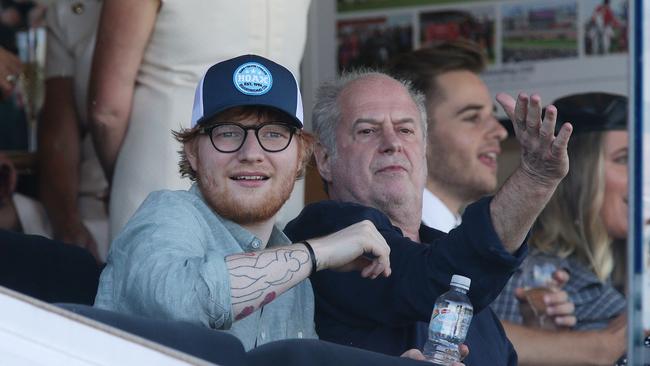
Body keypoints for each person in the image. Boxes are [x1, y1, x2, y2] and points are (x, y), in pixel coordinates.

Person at [93, 55, 397, 352]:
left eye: (274, 134)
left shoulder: (294, 275)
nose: (251, 152)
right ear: (193, 153)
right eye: (227, 133)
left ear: (301, 156)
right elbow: (178, 302)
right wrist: (318, 252)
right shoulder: (167, 214)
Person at [284, 69, 572, 365]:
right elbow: (430, 279)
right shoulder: (323, 232)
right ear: (325, 159)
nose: (392, 142)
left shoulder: (448, 261)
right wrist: (535, 178)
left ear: (424, 151)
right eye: (367, 130)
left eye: (405, 130)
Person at [387, 41, 580, 364]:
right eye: (472, 117)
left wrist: (532, 328)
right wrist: (617, 338)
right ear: (414, 133)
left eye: (491, 115)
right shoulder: (388, 238)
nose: (499, 132)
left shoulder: (459, 229)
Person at [88, 0, 312, 239]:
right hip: (273, 172)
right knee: (276, 271)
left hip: (163, 172)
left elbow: (106, 113)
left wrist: (119, 176)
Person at [491, 92, 629, 365]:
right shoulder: (529, 276)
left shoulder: (627, 271)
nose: (644, 174)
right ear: (577, 174)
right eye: (624, 159)